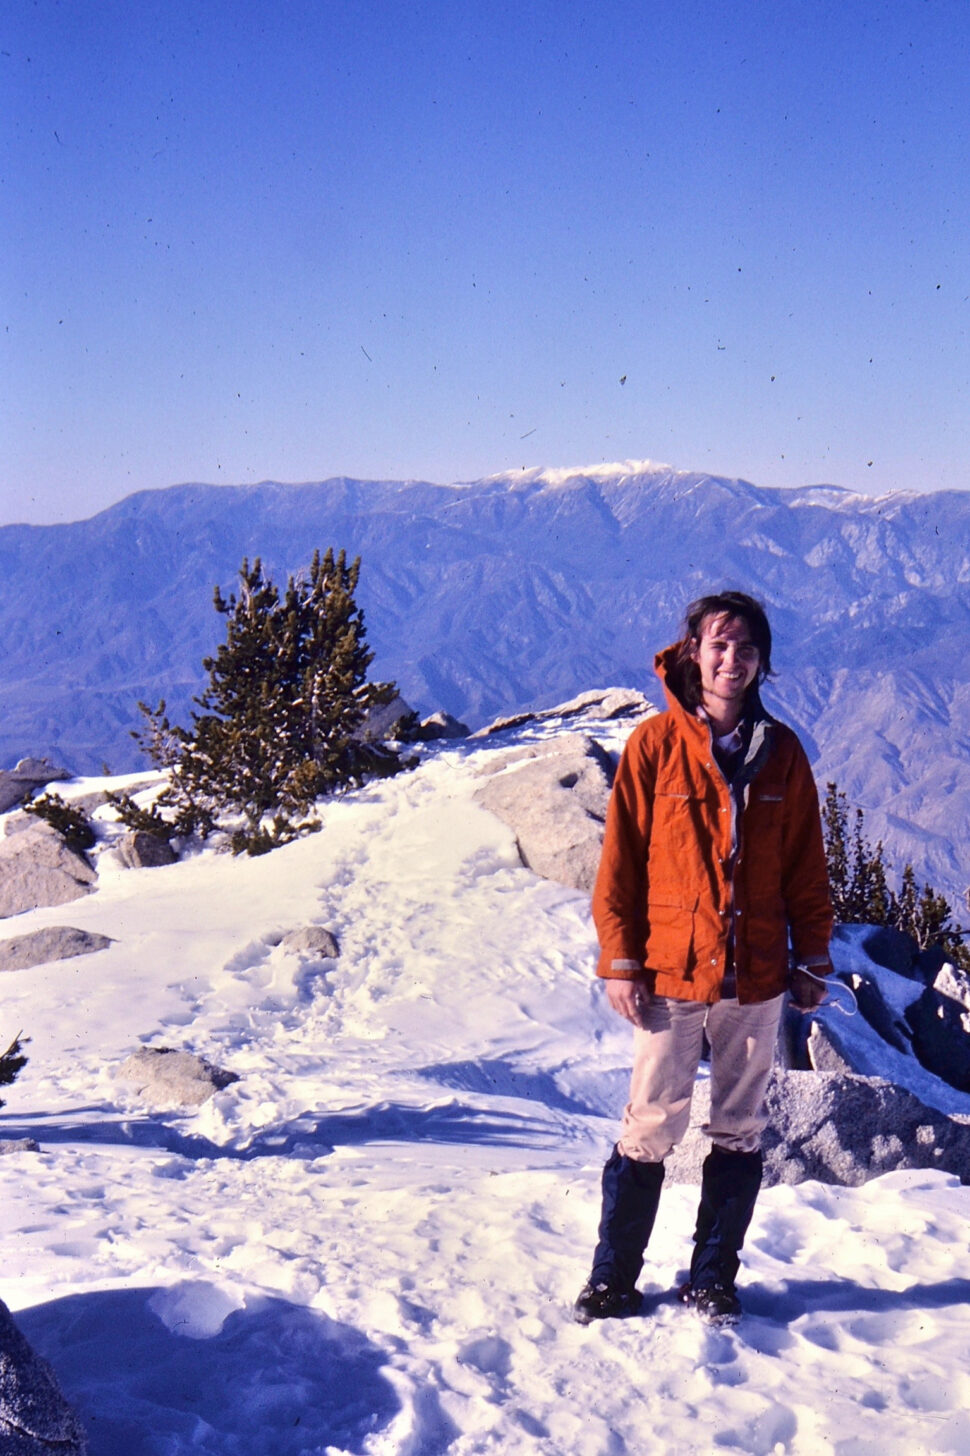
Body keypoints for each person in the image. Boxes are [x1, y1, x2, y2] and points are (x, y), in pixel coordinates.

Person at [574, 590, 833, 1326]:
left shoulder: (782, 755)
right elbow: (619, 866)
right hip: (672, 972)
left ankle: (713, 1278)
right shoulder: (655, 747)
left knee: (740, 1128)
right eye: (719, 645)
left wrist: (812, 958)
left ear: (761, 662)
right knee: (651, 1126)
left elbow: (805, 870)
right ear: (693, 651)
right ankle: (612, 1279)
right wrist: (620, 961)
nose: (732, 659)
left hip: (753, 975)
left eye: (746, 648)